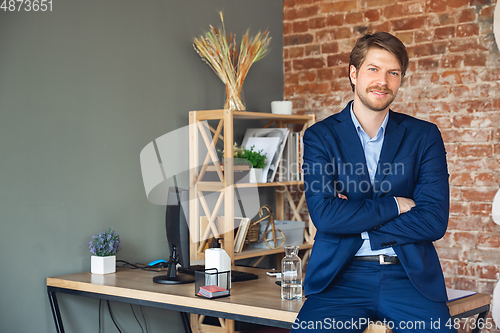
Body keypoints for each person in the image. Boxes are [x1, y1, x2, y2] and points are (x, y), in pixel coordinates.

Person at [292, 32, 455, 332]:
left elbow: (433, 220)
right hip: (341, 278)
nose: (383, 80)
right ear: (353, 74)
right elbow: (325, 216)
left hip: (408, 278)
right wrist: (396, 204)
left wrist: (354, 215)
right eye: (373, 69)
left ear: (401, 79)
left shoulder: (424, 136)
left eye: (393, 72)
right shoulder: (320, 137)